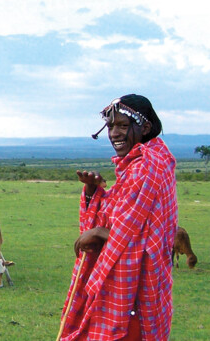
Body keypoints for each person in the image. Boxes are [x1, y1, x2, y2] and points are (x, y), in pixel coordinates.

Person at [58, 94, 178, 341]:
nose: (114, 133)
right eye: (111, 126)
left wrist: (101, 233)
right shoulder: (143, 162)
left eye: (123, 125)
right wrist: (94, 192)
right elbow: (122, 217)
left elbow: (135, 235)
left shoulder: (147, 164)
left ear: (144, 127)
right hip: (134, 285)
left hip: (134, 287)